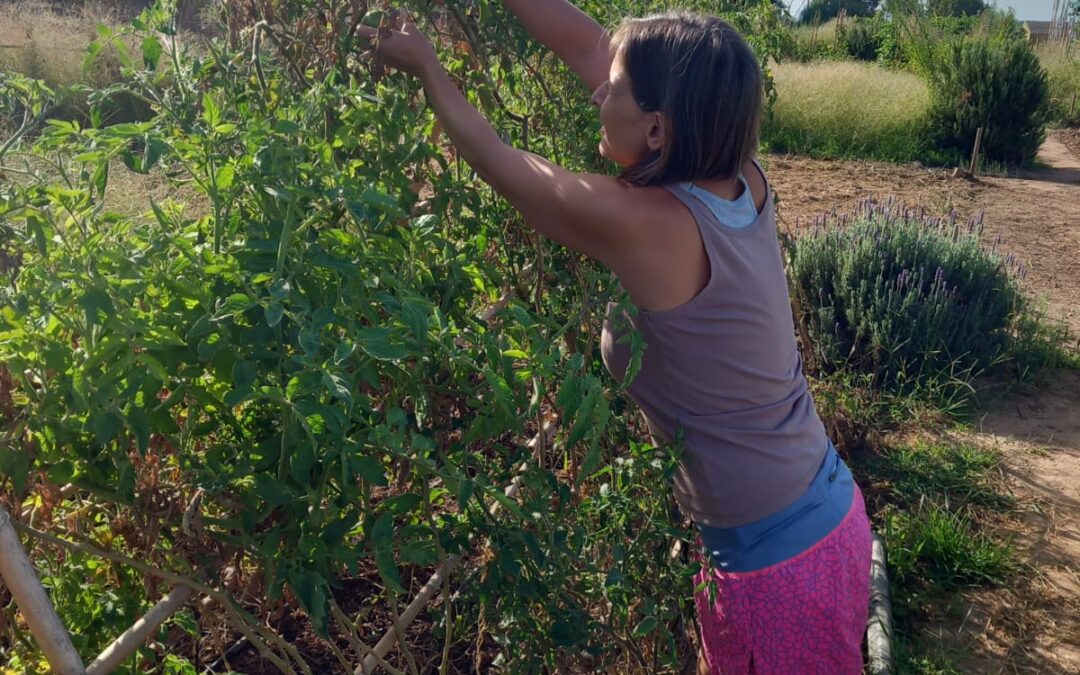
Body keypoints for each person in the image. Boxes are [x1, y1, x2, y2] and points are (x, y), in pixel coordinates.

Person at [359, 2, 872, 673]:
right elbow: (589, 44)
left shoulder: (647, 223)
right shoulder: (737, 175)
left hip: (778, 567)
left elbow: (499, 159)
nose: (598, 89)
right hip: (813, 520)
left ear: (657, 128)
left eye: (617, 87)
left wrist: (428, 65)